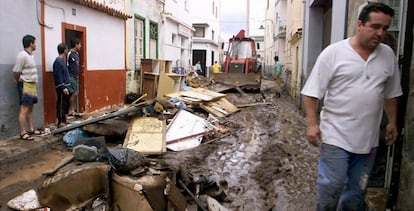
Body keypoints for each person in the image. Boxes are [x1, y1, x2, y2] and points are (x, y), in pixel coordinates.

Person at [300, 3, 402, 210]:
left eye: (385, 28)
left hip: (369, 140)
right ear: (360, 24)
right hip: (335, 136)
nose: (380, 33)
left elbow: (391, 93)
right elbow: (311, 92)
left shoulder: (388, 55)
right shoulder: (334, 53)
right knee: (332, 184)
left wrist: (392, 122)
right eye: (375, 26)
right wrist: (312, 124)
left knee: (357, 190)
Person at [13, 34, 42, 140]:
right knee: (24, 108)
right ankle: (22, 132)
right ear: (31, 43)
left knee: (30, 108)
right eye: (35, 42)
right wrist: (17, 81)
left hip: (32, 84)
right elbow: (16, 71)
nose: (36, 45)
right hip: (25, 84)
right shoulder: (22, 55)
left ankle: (31, 129)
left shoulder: (31, 56)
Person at [53, 43, 73, 128]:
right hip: (62, 87)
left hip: (66, 86)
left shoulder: (62, 61)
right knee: (61, 104)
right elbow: (58, 75)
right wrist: (63, 87)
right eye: (67, 49)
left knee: (65, 103)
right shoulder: (58, 62)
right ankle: (60, 121)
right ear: (64, 50)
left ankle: (64, 119)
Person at [67, 38, 82, 117]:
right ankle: (70, 110)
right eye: (79, 44)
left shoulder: (77, 54)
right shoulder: (69, 54)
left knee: (75, 93)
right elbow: (67, 65)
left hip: (76, 76)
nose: (80, 46)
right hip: (71, 76)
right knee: (73, 93)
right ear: (76, 44)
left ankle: (72, 109)